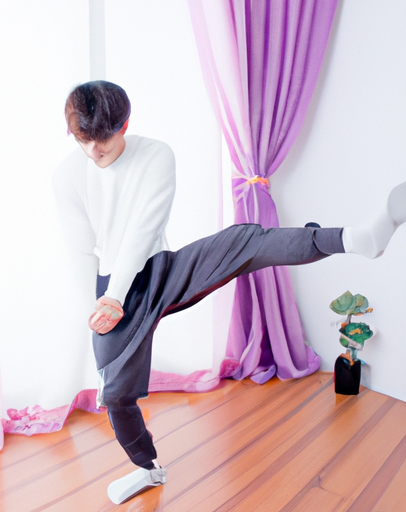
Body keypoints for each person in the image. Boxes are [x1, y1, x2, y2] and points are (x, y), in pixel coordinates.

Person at [53, 80, 406, 505]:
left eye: (104, 139)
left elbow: (142, 233)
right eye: (83, 140)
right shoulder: (68, 174)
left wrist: (116, 295)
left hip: (158, 267)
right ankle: (148, 467)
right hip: (108, 291)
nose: (94, 151)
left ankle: (358, 238)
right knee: (115, 394)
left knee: (244, 240)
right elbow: (77, 248)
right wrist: (96, 306)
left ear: (125, 124)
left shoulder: (156, 155)